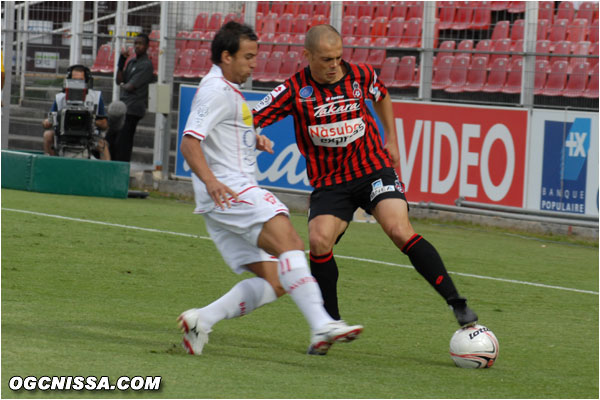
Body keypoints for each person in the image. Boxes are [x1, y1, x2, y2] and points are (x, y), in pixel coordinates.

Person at [253, 25, 478, 328]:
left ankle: (456, 302)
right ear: (307, 56)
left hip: (372, 168)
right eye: (325, 59)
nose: (333, 66)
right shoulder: (294, 90)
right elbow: (250, 115)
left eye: (337, 58)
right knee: (319, 242)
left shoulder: (361, 75)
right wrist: (255, 133)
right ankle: (329, 324)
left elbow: (382, 96)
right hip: (331, 182)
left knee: (399, 229)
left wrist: (392, 138)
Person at [177, 21, 363, 356]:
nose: (254, 63)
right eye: (247, 57)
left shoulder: (226, 89)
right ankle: (322, 324)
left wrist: (252, 139)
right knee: (291, 241)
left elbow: (224, 133)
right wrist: (212, 181)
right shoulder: (215, 91)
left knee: (277, 280)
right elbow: (189, 143)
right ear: (225, 56)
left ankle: (201, 320)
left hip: (219, 202)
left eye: (256, 56)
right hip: (232, 192)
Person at [42, 65, 110, 160]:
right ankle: (51, 165)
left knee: (103, 145)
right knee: (47, 135)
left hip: (88, 136)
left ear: (86, 81)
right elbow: (48, 121)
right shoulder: (60, 98)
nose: (77, 83)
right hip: (64, 135)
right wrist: (48, 121)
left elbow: (105, 124)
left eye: (80, 80)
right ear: (68, 80)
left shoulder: (95, 97)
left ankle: (106, 173)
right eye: (74, 80)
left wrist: (90, 120)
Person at [106, 33, 153, 162]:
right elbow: (119, 81)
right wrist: (121, 61)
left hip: (133, 109)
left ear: (147, 46)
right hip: (124, 107)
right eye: (135, 43)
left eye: (140, 44)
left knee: (123, 143)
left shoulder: (146, 65)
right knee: (110, 139)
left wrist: (124, 84)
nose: (137, 46)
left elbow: (130, 86)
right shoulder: (132, 61)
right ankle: (110, 166)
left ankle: (121, 170)